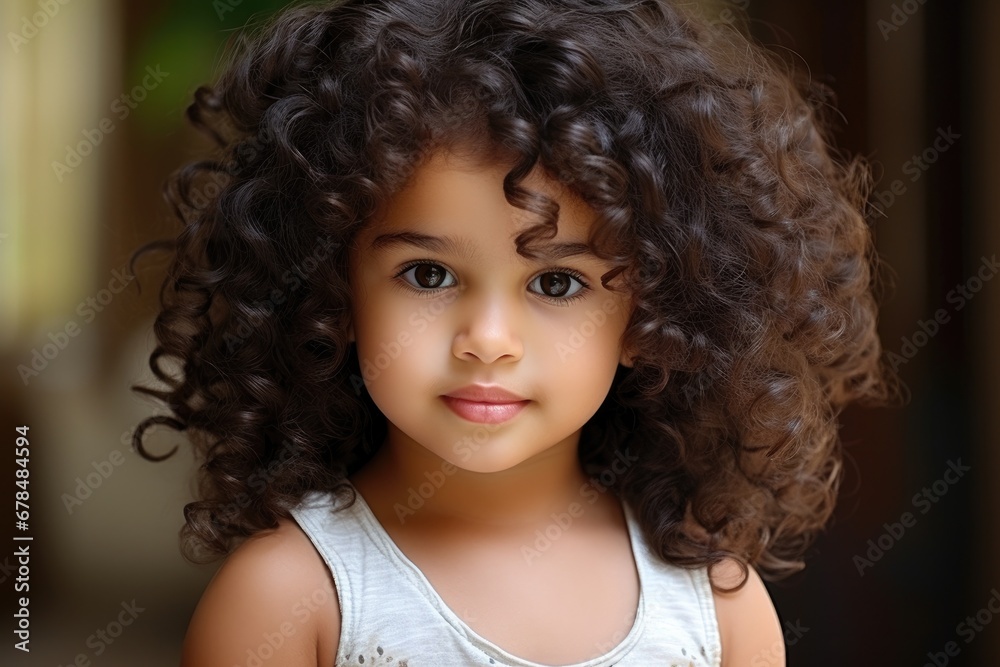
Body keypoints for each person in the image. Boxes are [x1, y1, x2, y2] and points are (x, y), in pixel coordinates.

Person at [128, 0, 893, 665]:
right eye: (429, 274)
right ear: (332, 293)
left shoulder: (714, 607)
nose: (488, 339)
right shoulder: (290, 599)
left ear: (652, 315)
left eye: (556, 283)